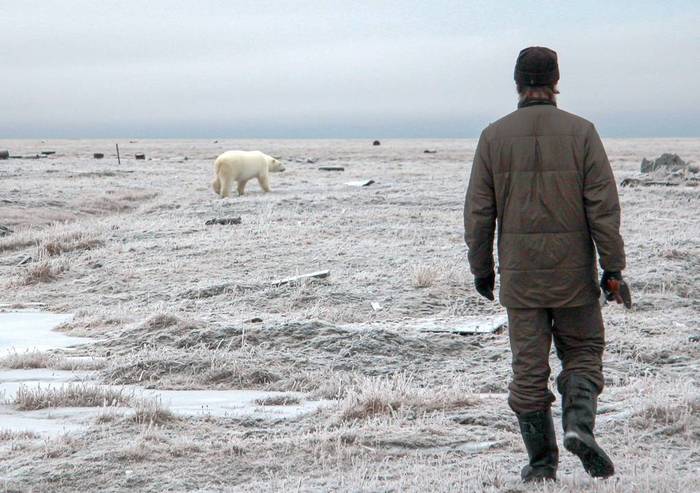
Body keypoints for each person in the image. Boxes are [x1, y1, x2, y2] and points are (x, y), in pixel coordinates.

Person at [463, 46, 628, 482]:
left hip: (520, 280)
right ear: (556, 81)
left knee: (529, 370)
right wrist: (612, 269)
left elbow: (479, 212)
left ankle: (540, 466)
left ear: (517, 82)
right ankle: (578, 425)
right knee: (584, 352)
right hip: (574, 276)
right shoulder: (583, 132)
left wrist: (482, 269)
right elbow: (603, 208)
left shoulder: (493, 137)